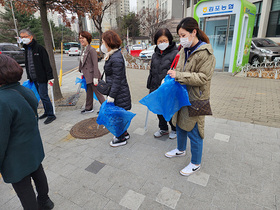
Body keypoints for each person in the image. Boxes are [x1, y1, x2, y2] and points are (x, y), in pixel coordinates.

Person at [0, 54, 54, 209]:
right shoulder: (24, 90)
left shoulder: (2, 100)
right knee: (38, 174)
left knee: (24, 189)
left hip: (15, 157)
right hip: (33, 146)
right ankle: (45, 201)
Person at [165, 17, 216, 176]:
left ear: (194, 32)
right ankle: (180, 149)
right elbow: (178, 68)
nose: (181, 39)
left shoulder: (206, 53)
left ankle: (196, 163)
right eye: (179, 36)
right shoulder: (183, 49)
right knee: (180, 123)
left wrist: (179, 75)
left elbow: (203, 78)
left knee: (195, 131)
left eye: (183, 35)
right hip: (181, 95)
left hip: (196, 98)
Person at [101, 30, 132, 147]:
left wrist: (112, 96)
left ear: (109, 43)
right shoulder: (113, 55)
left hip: (118, 92)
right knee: (119, 114)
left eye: (103, 42)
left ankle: (120, 138)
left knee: (117, 115)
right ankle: (124, 133)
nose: (102, 45)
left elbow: (117, 79)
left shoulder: (116, 58)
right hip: (117, 91)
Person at [147, 28, 178, 139]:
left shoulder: (176, 53)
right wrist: (150, 85)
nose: (162, 43)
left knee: (169, 109)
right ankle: (163, 128)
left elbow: (177, 72)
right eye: (160, 41)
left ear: (169, 40)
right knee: (158, 109)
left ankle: (174, 129)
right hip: (156, 86)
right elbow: (152, 71)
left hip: (168, 88)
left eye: (165, 40)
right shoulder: (155, 54)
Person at [20, 29, 56, 124]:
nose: (23, 39)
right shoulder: (26, 49)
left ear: (31, 37)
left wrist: (50, 77)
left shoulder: (39, 48)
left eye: (25, 37)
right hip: (33, 77)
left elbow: (46, 63)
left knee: (44, 96)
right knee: (41, 95)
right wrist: (29, 76)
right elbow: (28, 64)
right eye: (22, 37)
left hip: (42, 77)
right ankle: (46, 112)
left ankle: (51, 115)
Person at [79, 31, 105, 114]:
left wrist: (95, 77)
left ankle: (106, 109)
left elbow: (95, 65)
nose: (81, 40)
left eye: (83, 38)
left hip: (93, 76)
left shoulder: (91, 50)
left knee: (98, 93)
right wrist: (80, 69)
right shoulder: (84, 49)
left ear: (88, 39)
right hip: (87, 75)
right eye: (80, 38)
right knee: (89, 92)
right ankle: (88, 108)